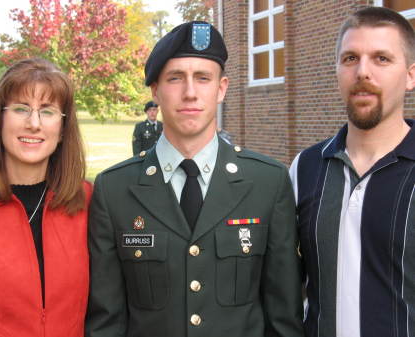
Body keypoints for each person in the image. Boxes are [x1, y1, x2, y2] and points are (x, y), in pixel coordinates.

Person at [86, 21, 304, 337]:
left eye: (203, 78)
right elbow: (107, 321)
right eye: (176, 78)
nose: (190, 92)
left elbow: (284, 317)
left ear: (222, 88)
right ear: (156, 91)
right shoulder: (114, 189)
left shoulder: (267, 182)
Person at [289, 7, 415, 337]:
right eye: (350, 59)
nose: (362, 72)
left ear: (411, 76)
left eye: (381, 59)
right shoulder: (305, 168)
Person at [0, 58, 92, 337]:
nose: (33, 124)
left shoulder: (90, 202)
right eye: (21, 109)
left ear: (62, 129)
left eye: (47, 112)